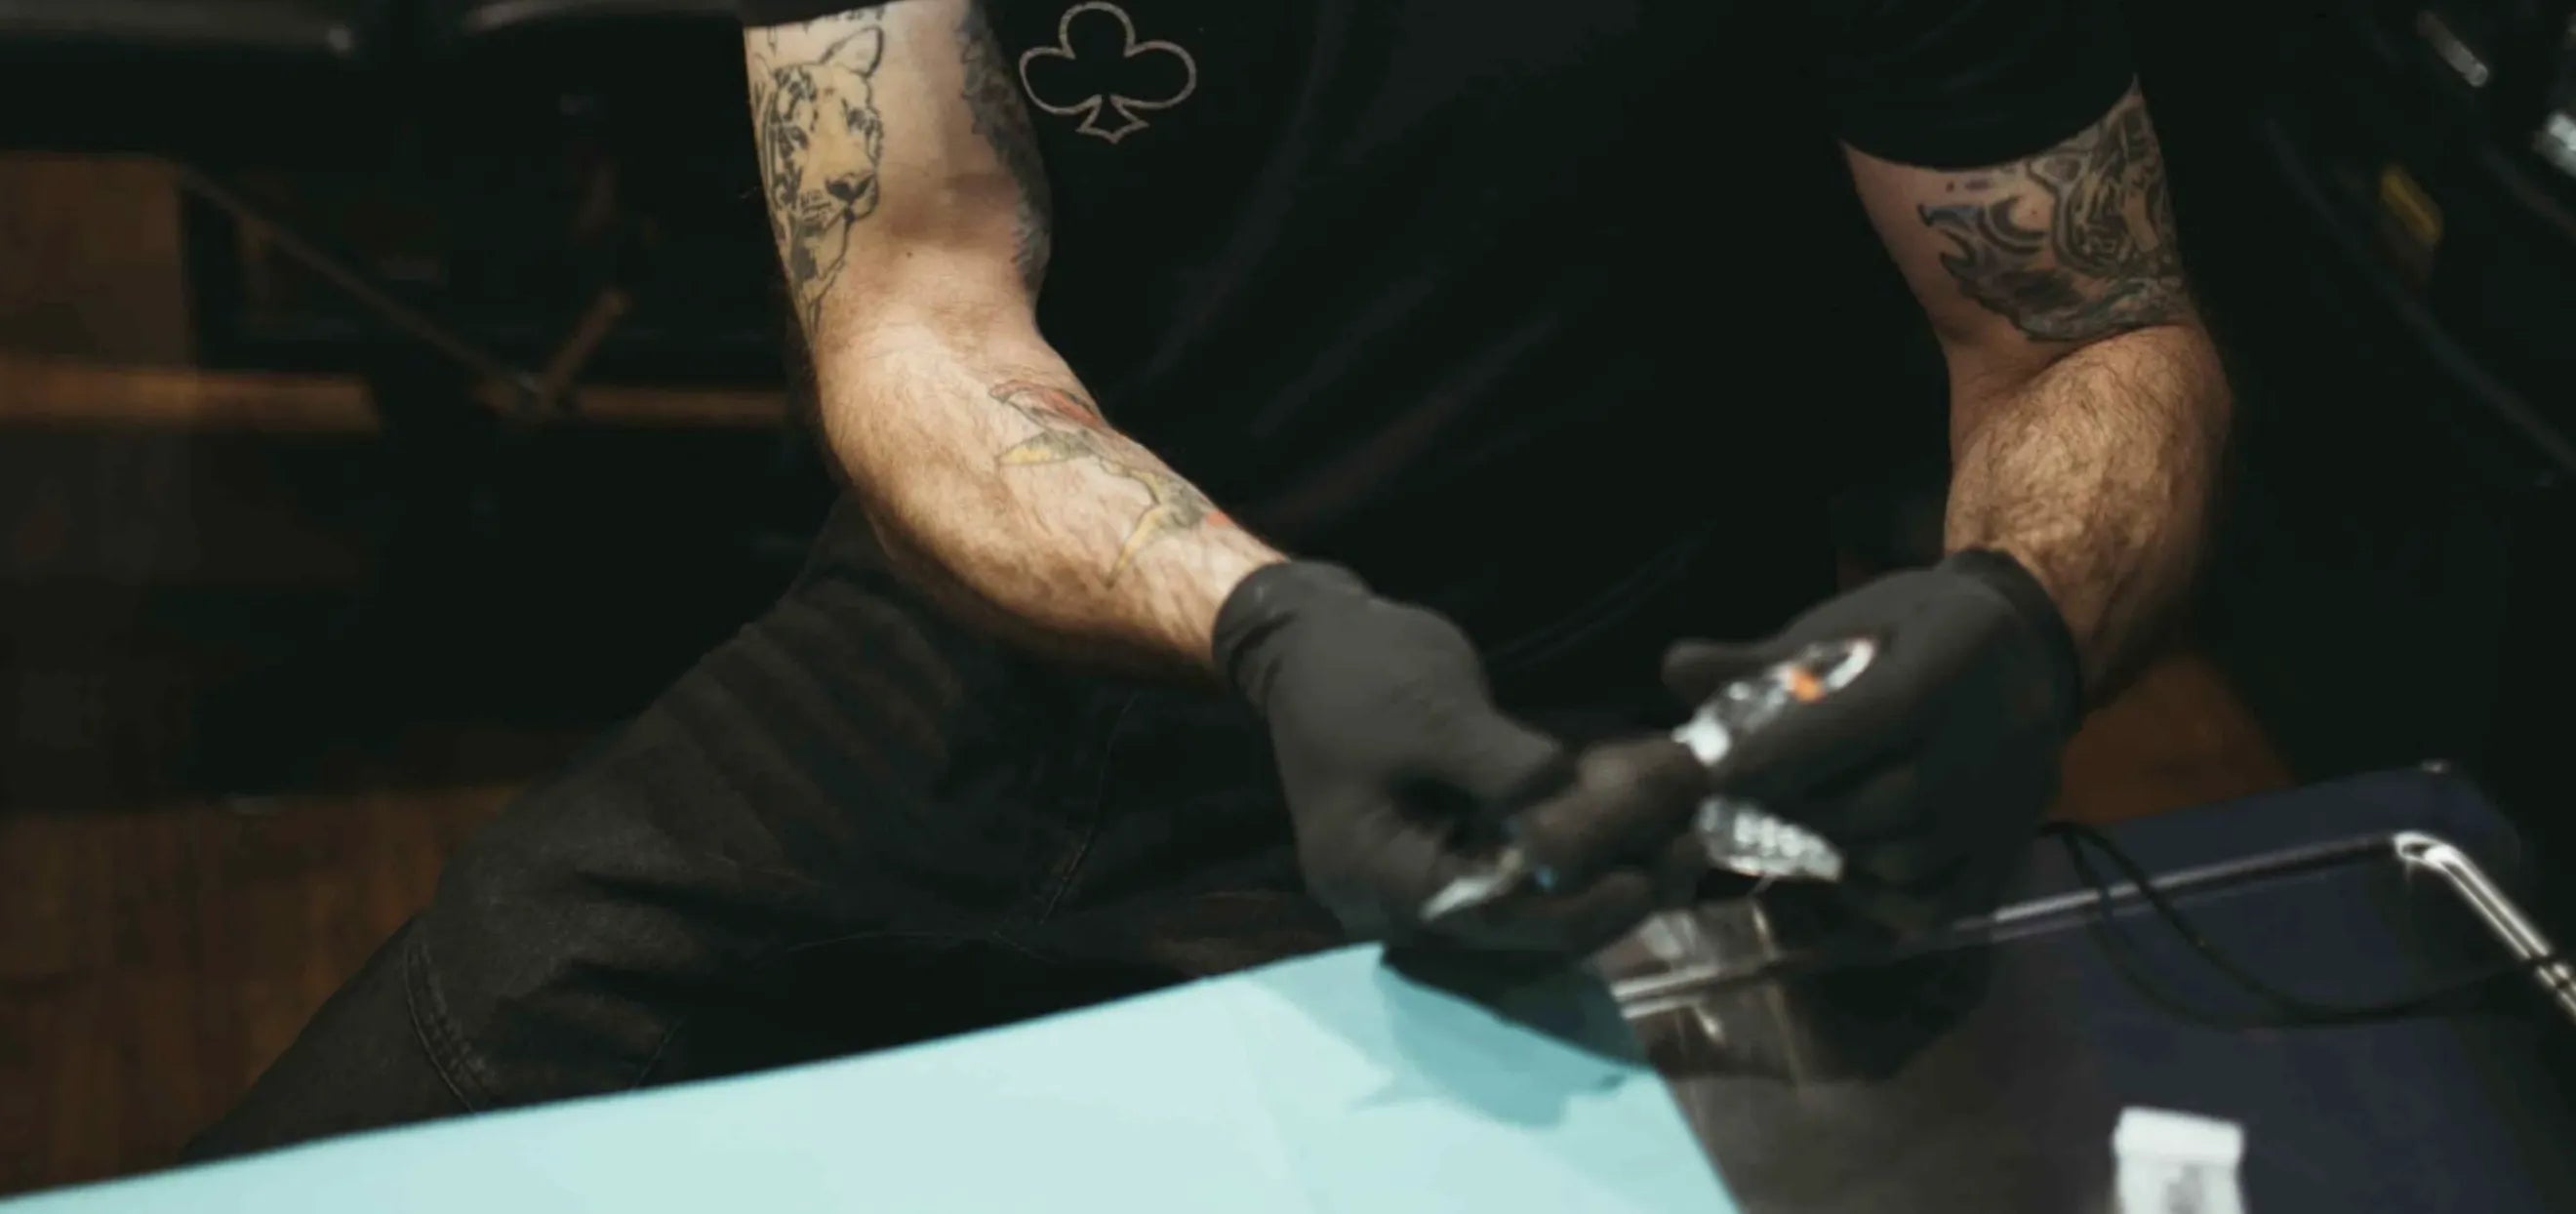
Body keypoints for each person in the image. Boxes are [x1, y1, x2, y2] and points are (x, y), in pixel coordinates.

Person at [189, 0, 2227, 1157]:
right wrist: (1268, 622)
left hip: (1550, 755)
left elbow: (2088, 326)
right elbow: (910, 303)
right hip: (952, 665)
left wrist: (2020, 614)